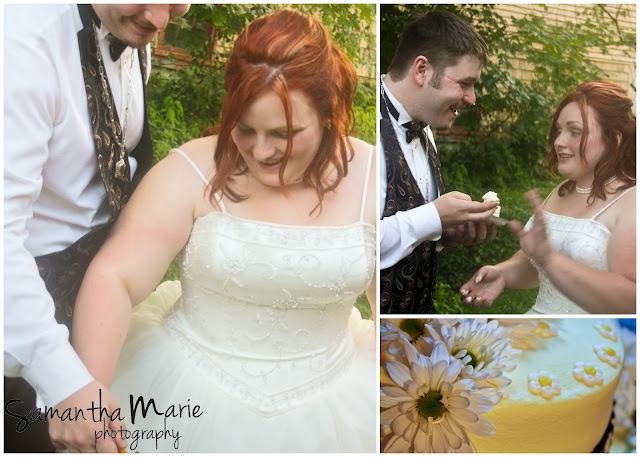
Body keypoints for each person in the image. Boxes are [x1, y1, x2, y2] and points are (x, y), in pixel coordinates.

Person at [70, 9, 376, 452]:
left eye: (284, 132)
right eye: (245, 129)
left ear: (329, 114)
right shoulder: (191, 169)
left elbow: (395, 310)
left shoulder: (372, 176)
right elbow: (114, 277)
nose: (262, 150)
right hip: (184, 394)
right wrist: (90, 394)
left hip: (338, 404)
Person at [3, 4, 190, 452]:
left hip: (91, 318)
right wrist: (63, 381)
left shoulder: (127, 23)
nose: (161, 19)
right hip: (20, 329)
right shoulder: (22, 47)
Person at [460, 81, 636, 313]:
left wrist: (551, 260)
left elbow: (631, 301)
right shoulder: (562, 190)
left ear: (614, 139)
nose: (558, 142)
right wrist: (503, 273)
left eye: (575, 132)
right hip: (541, 330)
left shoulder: (632, 201)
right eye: (559, 130)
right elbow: (537, 264)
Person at [380, 10, 499, 314]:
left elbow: (409, 223)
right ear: (421, 70)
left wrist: (446, 231)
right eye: (465, 83)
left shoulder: (426, 127)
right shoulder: (363, 127)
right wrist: (433, 217)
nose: (472, 98)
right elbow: (352, 243)